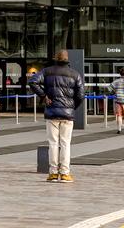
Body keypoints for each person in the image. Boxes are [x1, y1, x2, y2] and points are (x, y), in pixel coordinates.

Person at [30, 50, 84, 184]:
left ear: (56, 59)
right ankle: (65, 173)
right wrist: (72, 107)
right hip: (67, 114)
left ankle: (53, 173)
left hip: (52, 113)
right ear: (67, 60)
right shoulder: (75, 74)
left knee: (53, 143)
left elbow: (33, 81)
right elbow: (81, 95)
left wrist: (43, 96)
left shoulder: (47, 71)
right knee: (65, 143)